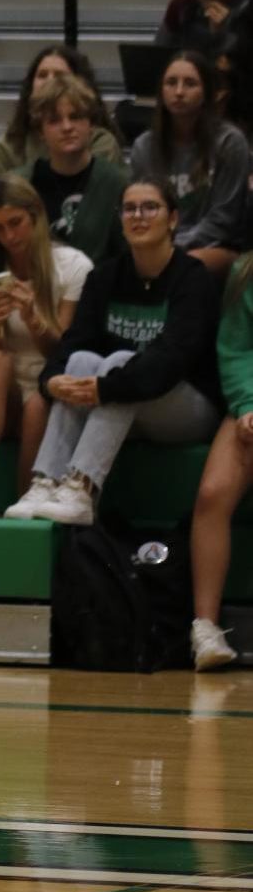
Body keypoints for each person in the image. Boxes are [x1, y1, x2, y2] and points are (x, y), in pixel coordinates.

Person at [6, 176, 222, 528]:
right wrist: (52, 383)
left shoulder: (193, 279)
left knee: (123, 363)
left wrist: (105, 388)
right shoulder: (105, 277)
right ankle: (46, 481)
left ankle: (82, 489)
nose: (138, 215)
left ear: (172, 219)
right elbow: (73, 343)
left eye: (150, 207)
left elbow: (170, 361)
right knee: (79, 362)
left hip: (186, 406)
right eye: (129, 208)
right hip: (121, 401)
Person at [0, 176, 91, 517]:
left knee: (40, 401)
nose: (9, 237)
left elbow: (66, 354)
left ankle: (26, 501)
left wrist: (34, 320)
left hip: (47, 387)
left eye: (15, 223)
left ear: (36, 216)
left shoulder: (73, 266)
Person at [129, 50, 249, 275]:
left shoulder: (229, 143)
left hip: (214, 248)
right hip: (158, 245)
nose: (179, 92)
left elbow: (223, 219)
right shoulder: (144, 147)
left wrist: (174, 249)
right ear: (161, 92)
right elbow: (140, 209)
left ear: (207, 93)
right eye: (171, 83)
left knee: (188, 265)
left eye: (190, 83)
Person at [189, 256, 253, 668]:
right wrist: (248, 405)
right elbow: (234, 350)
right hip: (251, 404)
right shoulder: (245, 271)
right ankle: (206, 629)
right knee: (213, 493)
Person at [16, 75, 129, 263]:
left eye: (75, 117)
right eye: (54, 120)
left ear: (91, 124)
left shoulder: (117, 184)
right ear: (40, 131)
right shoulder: (22, 184)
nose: (67, 127)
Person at [0, 44, 121, 175]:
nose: (49, 81)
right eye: (42, 75)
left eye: (59, 75)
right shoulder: (8, 147)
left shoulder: (101, 142)